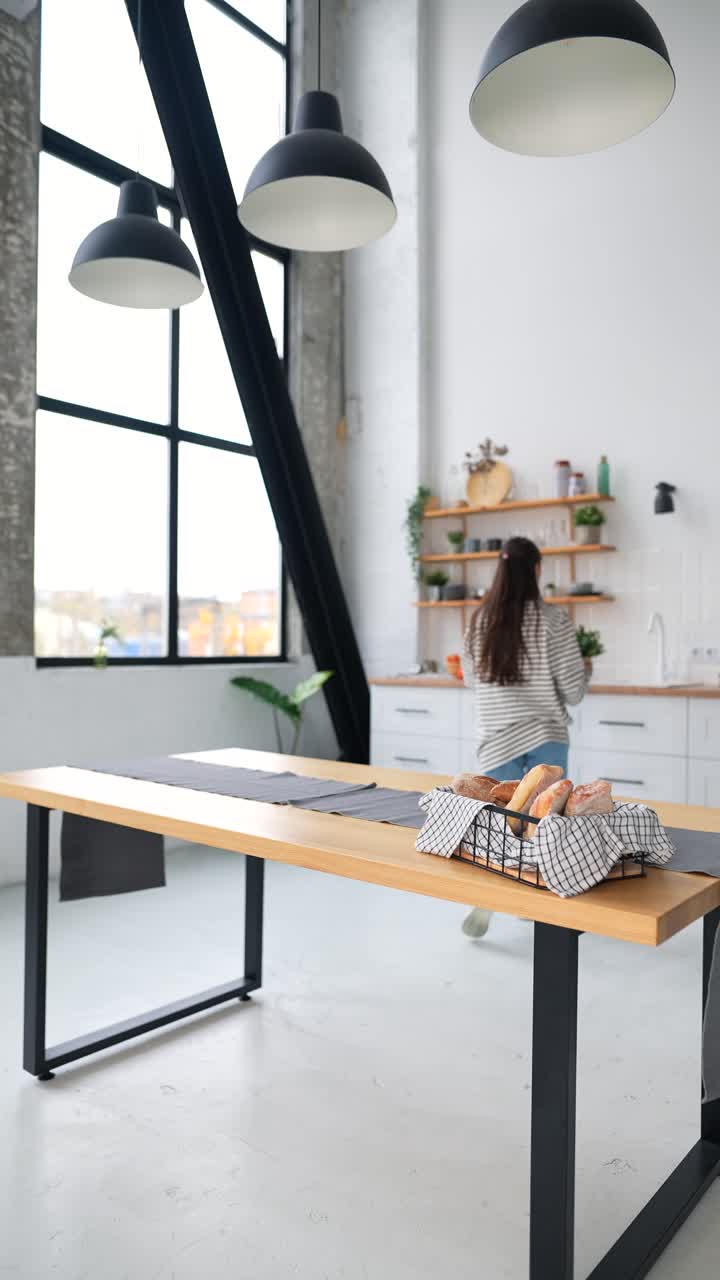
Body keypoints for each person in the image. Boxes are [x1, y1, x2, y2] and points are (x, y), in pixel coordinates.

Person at [461, 536, 589, 938]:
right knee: (543, 827)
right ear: (536, 570)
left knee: (499, 825)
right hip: (544, 736)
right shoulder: (552, 620)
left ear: (499, 571)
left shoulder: (480, 620)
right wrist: (585, 669)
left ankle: (489, 894)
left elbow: (471, 682)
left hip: (496, 739)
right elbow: (573, 691)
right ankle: (534, 902)